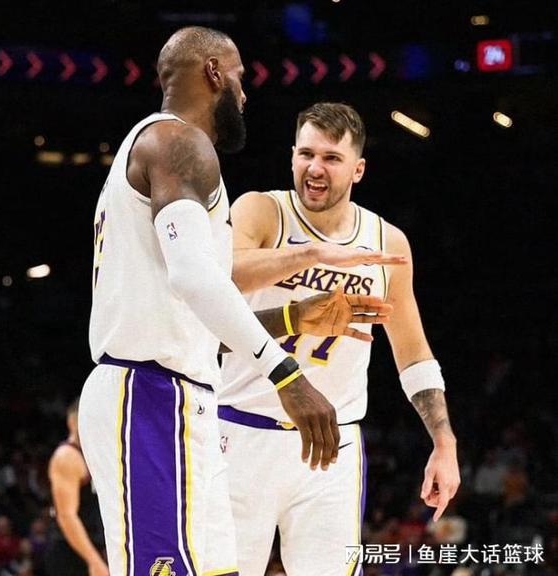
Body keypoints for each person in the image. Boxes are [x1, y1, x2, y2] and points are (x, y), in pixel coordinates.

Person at [78, 28, 401, 576]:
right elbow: (193, 278)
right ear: (213, 72)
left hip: (180, 395)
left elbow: (195, 310)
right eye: (240, 77)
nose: (245, 94)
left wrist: (294, 317)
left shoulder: (168, 148)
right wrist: (287, 375)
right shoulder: (178, 142)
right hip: (148, 395)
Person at [219, 102, 461, 576]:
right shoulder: (262, 211)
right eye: (306, 154)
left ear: (358, 169)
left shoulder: (387, 243)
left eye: (331, 158)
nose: (315, 168)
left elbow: (413, 353)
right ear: (292, 156)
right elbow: (218, 281)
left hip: (332, 449)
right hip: (241, 432)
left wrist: (444, 440)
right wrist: (311, 257)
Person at [45, 398, 107, 576]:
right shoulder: (67, 457)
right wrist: (94, 561)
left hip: (94, 545)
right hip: (71, 552)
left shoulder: (97, 454)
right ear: (72, 422)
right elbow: (66, 516)